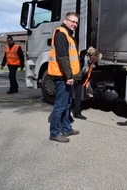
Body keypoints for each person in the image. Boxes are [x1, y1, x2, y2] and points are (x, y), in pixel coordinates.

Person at [48, 12, 81, 143]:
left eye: (76, 22)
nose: (74, 24)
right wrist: (69, 76)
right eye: (72, 21)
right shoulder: (61, 33)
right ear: (65, 20)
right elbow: (63, 57)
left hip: (66, 75)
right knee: (60, 105)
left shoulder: (68, 34)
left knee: (66, 104)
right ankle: (54, 133)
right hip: (62, 76)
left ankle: (66, 128)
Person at [72, 46, 101, 120]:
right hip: (72, 78)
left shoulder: (90, 62)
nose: (94, 62)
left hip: (79, 79)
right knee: (68, 97)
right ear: (91, 56)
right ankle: (66, 115)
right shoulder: (81, 58)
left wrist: (86, 82)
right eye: (94, 60)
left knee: (78, 96)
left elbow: (87, 73)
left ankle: (77, 113)